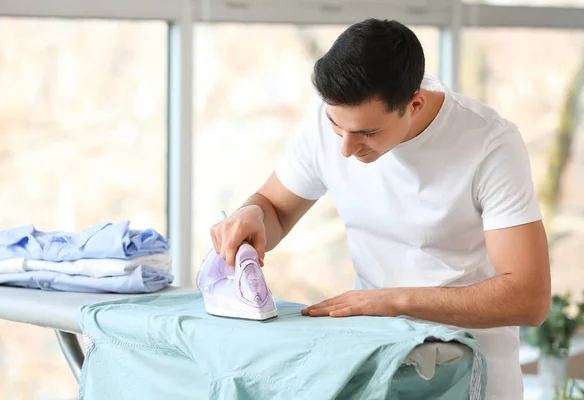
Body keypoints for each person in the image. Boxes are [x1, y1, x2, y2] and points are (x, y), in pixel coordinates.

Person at [209, 18, 551, 399]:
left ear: (414, 104)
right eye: (338, 128)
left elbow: (528, 297)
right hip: (374, 357)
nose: (346, 149)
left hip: (470, 369)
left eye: (367, 133)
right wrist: (253, 213)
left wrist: (392, 300)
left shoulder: (490, 144)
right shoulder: (332, 120)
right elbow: (275, 208)